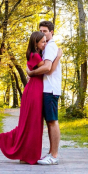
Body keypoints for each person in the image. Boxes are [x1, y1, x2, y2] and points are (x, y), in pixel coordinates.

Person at [0, 31, 62, 164]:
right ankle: (26, 153)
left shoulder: (36, 54)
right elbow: (49, 69)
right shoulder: (36, 56)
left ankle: (27, 153)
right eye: (43, 42)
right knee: (32, 122)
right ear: (35, 43)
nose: (45, 44)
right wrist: (58, 57)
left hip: (37, 88)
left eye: (46, 41)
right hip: (34, 90)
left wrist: (31, 72)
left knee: (34, 122)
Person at [26, 20, 62, 165]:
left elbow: (48, 68)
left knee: (52, 121)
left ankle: (54, 156)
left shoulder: (50, 47)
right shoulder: (46, 47)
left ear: (51, 32)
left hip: (50, 89)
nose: (43, 34)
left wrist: (31, 72)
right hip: (47, 89)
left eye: (45, 31)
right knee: (49, 122)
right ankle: (50, 153)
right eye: (41, 31)